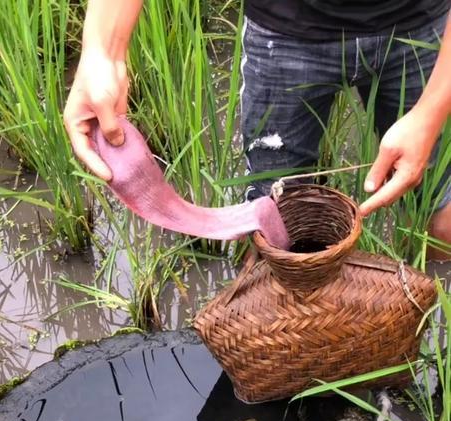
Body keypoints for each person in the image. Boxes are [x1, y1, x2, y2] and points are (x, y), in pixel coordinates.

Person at [64, 0, 451, 257]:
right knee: (270, 229)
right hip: (284, 32)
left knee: (441, 222)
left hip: (422, 26)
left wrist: (431, 111)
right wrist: (104, 52)